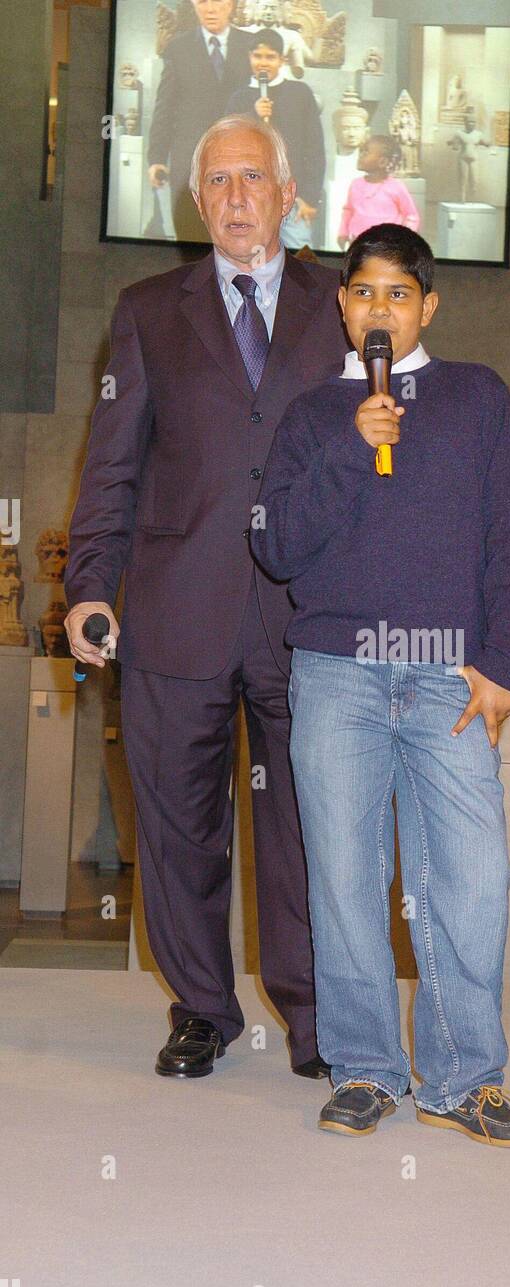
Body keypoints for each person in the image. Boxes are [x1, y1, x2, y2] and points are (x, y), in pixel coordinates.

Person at [64, 116, 349, 1082]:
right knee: (178, 824)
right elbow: (111, 469)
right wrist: (88, 589)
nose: (235, 198)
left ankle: (316, 1015)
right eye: (217, 182)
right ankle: (202, 1009)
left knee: (309, 823)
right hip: (176, 615)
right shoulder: (148, 309)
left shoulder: (344, 302)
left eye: (252, 179)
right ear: (197, 201)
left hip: (311, 616)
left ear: (289, 192)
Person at [250, 224, 510, 1145]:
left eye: (400, 294)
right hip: (337, 675)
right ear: (342, 305)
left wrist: (504, 667)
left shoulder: (477, 398)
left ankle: (464, 1077)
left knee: (473, 877)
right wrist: (351, 442)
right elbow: (278, 546)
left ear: (428, 306)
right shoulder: (309, 417)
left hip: (448, 673)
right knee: (343, 878)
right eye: (365, 292)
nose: (381, 309)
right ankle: (366, 1068)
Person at [147, 0, 255, 241]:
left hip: (239, 156)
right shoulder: (178, 48)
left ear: (231, 4)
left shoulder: (251, 45)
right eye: (203, 1)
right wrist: (156, 158)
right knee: (189, 234)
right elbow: (165, 106)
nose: (210, 8)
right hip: (189, 157)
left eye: (218, 1)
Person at [224, 28, 325, 250]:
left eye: (270, 57)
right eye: (257, 56)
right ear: (249, 57)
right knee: (252, 260)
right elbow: (228, 147)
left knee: (300, 265)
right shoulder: (239, 99)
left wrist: (309, 197)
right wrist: (253, 115)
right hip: (251, 200)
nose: (263, 63)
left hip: (294, 200)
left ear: (282, 60)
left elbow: (315, 148)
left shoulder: (300, 93)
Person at [337, 135, 420, 250]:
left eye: (366, 152)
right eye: (361, 151)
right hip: (357, 244)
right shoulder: (356, 184)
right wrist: (343, 232)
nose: (360, 156)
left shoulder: (395, 187)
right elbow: (348, 210)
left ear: (382, 161)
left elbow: (411, 215)